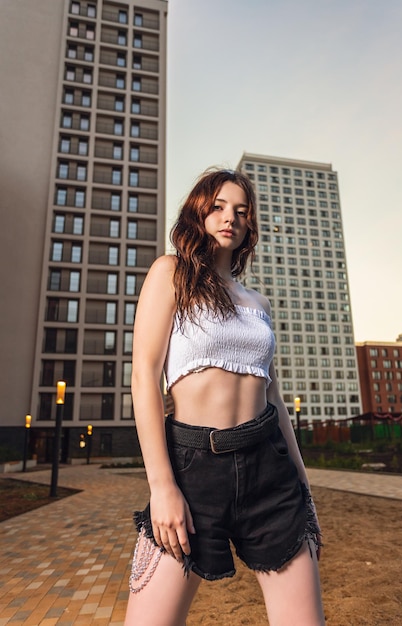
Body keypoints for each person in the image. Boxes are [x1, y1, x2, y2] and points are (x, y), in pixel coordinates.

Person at [124, 169, 325, 625]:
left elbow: (272, 394)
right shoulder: (169, 273)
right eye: (218, 206)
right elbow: (144, 377)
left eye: (240, 211)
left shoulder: (258, 303)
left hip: (268, 468)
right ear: (198, 210)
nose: (229, 218)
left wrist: (303, 486)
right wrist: (162, 486)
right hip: (193, 469)